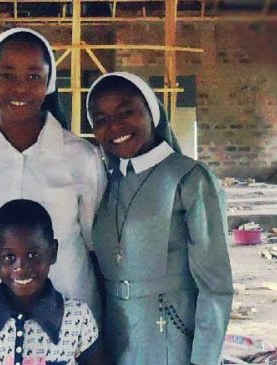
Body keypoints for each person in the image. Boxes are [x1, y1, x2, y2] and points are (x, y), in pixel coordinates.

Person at [0, 28, 106, 319]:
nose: (20, 88)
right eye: (6, 76)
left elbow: (96, 243)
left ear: (49, 83)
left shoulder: (82, 158)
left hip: (69, 315)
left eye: (34, 77)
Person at [87, 72, 234, 365]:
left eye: (127, 111)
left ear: (152, 113)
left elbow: (215, 287)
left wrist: (204, 360)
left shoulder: (189, 179)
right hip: (116, 335)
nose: (114, 126)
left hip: (170, 333)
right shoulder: (105, 181)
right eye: (101, 119)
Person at [0, 199, 105, 365]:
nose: (21, 266)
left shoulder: (77, 318)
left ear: (53, 251)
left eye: (33, 255)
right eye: (9, 257)